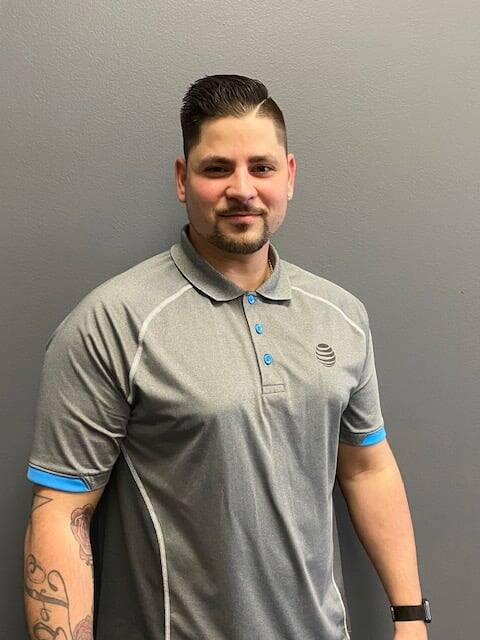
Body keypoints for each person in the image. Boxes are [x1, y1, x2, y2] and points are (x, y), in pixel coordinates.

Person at [23, 74, 430, 640]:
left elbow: (367, 467)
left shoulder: (341, 314)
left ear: (289, 175)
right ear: (182, 179)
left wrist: (409, 617)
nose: (242, 189)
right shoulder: (112, 322)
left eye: (261, 167)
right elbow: (62, 510)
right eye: (217, 168)